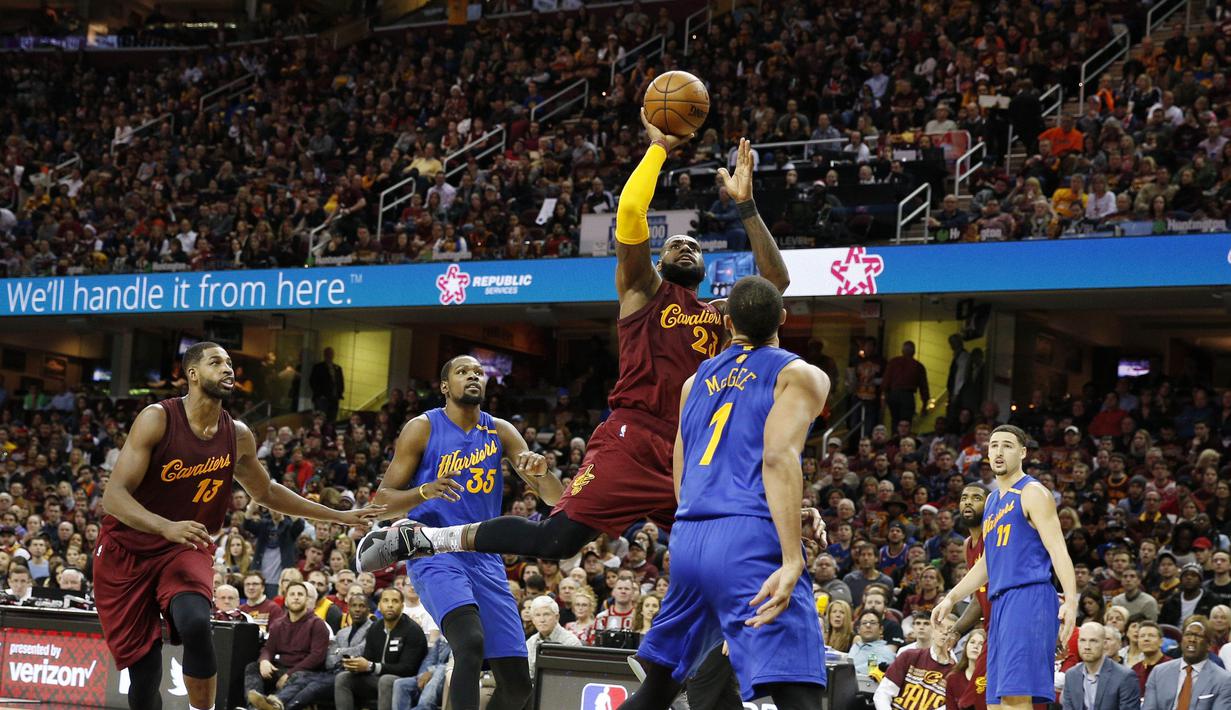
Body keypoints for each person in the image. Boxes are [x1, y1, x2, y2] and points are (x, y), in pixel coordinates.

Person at [361, 127, 790, 703]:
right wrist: (659, 147)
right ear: (658, 259)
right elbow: (632, 209)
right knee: (558, 540)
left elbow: (775, 284)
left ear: (709, 267)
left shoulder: (724, 317)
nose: (686, 245)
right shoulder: (643, 292)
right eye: (675, 244)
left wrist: (747, 206)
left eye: (696, 245)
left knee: (729, 567)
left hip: (693, 459)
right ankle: (427, 541)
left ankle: (678, 678)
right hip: (632, 437)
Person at [95, 342, 382, 710]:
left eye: (230, 363)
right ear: (193, 374)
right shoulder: (158, 418)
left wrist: (338, 515)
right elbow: (114, 497)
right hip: (126, 550)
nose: (228, 369)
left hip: (184, 546)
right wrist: (166, 526)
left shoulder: (238, 434)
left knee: (197, 623)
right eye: (217, 362)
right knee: (145, 671)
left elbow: (265, 491)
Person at [622, 276, 831, 709]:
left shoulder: (693, 381)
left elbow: (682, 476)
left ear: (728, 321)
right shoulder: (799, 374)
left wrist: (786, 512)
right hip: (749, 544)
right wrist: (791, 556)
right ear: (784, 319)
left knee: (658, 689)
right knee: (801, 695)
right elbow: (776, 458)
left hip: (690, 538)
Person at [359, 354, 561, 710]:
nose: (473, 376)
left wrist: (542, 471)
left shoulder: (500, 430)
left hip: (485, 557)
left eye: (479, 372)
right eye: (463, 371)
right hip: (435, 552)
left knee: (518, 686)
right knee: (469, 644)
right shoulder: (422, 427)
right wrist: (423, 491)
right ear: (443, 386)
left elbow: (555, 499)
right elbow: (382, 502)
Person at [933, 425, 1079, 710]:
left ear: (1023, 452)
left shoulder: (1033, 492)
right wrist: (951, 597)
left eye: (1008, 445)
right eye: (994, 445)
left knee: (1015, 698)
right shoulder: (991, 501)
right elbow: (987, 562)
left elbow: (1058, 549)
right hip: (999, 604)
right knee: (996, 702)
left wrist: (1071, 600)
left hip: (1028, 598)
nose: (999, 451)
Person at [334, 588, 427, 710]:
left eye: (395, 601)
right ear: (379, 605)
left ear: (402, 606)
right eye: (385, 601)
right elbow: (368, 659)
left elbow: (407, 669)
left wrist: (371, 666)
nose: (390, 605)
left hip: (404, 682)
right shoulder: (375, 628)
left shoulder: (412, 630)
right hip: (376, 680)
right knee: (343, 678)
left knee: (386, 680)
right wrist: (355, 665)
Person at [244, 581, 331, 706]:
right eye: (292, 594)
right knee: (252, 667)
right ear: (285, 601)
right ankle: (254, 707)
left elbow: (317, 657)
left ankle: (273, 705)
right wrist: (264, 660)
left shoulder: (317, 624)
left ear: (307, 600)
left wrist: (289, 674)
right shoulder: (278, 624)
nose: (296, 597)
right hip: (281, 668)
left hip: (305, 672)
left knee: (298, 677)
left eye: (300, 594)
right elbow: (268, 648)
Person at [1141, 618, 1231, 710]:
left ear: (1209, 645)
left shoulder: (1223, 680)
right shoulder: (1158, 672)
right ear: (1181, 641)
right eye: (1188, 634)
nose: (1192, 639)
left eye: (1198, 636)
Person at [873, 612, 956, 710]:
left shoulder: (956, 672)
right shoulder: (908, 655)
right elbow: (883, 692)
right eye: (941, 627)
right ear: (933, 631)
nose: (945, 632)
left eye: (950, 629)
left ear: (956, 637)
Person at [1060, 622, 1140, 710]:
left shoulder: (1124, 677)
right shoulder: (1071, 675)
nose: (1087, 646)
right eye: (1082, 640)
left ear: (1104, 644)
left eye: (1093, 641)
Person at [525, 595, 581, 677]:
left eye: (546, 614)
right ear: (533, 620)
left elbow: (575, 675)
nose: (542, 620)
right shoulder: (530, 643)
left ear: (557, 617)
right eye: (537, 615)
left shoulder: (571, 642)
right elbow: (529, 674)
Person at [882, 341, 930, 427]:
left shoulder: (894, 362)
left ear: (902, 351)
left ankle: (895, 437)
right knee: (906, 422)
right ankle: (904, 438)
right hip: (908, 395)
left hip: (894, 394)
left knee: (895, 420)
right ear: (914, 352)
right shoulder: (918, 366)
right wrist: (924, 404)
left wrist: (885, 395)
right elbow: (923, 387)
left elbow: (886, 380)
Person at [309, 347, 345, 423]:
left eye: (331, 354)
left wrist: (339, 393)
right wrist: (319, 394)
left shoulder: (337, 368)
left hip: (334, 398)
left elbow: (340, 382)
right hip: (322, 398)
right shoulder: (319, 367)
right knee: (320, 418)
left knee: (332, 418)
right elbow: (313, 381)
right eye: (328, 354)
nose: (330, 355)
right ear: (324, 355)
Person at [1132, 621, 1168, 694]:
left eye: (1151, 635)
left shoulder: (1171, 666)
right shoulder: (1135, 670)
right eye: (1142, 636)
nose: (1146, 639)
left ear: (1161, 642)